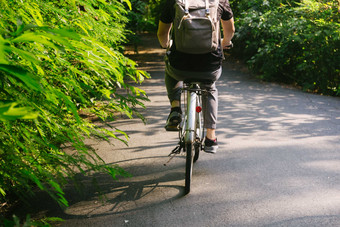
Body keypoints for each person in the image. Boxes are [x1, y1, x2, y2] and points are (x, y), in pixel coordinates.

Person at [157, 0, 235, 153]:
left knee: (170, 69)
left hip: (180, 66)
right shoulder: (219, 1)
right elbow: (230, 29)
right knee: (210, 87)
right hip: (209, 66)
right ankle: (211, 136)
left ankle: (175, 108)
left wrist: (166, 45)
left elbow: (162, 34)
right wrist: (225, 42)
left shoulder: (174, 1)